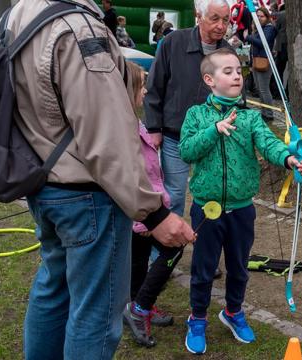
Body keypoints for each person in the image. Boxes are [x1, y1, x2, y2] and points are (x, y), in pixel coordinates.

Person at [0, 1, 195, 358]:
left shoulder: (14, 16)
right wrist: (154, 214)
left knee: (54, 289)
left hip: (42, 182)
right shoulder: (77, 26)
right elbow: (107, 138)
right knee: (96, 312)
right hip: (86, 193)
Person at [179, 48, 302, 354]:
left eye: (239, 70)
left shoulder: (251, 117)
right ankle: (197, 319)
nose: (237, 75)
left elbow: (269, 145)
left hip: (241, 209)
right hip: (207, 209)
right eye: (228, 71)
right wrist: (214, 130)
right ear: (209, 79)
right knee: (203, 268)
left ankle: (233, 312)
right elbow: (186, 151)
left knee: (238, 267)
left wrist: (290, 158)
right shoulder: (196, 115)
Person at [145, 0, 231, 219]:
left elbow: (234, 94)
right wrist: (154, 128)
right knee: (173, 193)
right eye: (215, 19)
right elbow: (154, 87)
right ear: (198, 15)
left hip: (213, 137)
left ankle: (203, 241)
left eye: (225, 20)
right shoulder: (173, 42)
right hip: (176, 136)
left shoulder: (227, 52)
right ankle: (166, 250)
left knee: (210, 193)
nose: (221, 26)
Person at [121, 61, 184, 348]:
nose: (145, 91)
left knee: (139, 262)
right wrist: (144, 219)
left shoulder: (135, 122)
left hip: (147, 210)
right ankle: (139, 307)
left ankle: (137, 303)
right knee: (174, 246)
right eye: (140, 85)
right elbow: (129, 178)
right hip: (141, 213)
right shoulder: (123, 130)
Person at [246, 7, 277, 122]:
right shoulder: (259, 29)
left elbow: (263, 43)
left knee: (264, 89)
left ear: (267, 16)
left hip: (265, 61)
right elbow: (253, 47)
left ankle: (268, 114)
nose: (259, 18)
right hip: (256, 61)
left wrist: (248, 37)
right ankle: (264, 112)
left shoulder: (269, 28)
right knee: (259, 89)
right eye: (257, 16)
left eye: (261, 16)